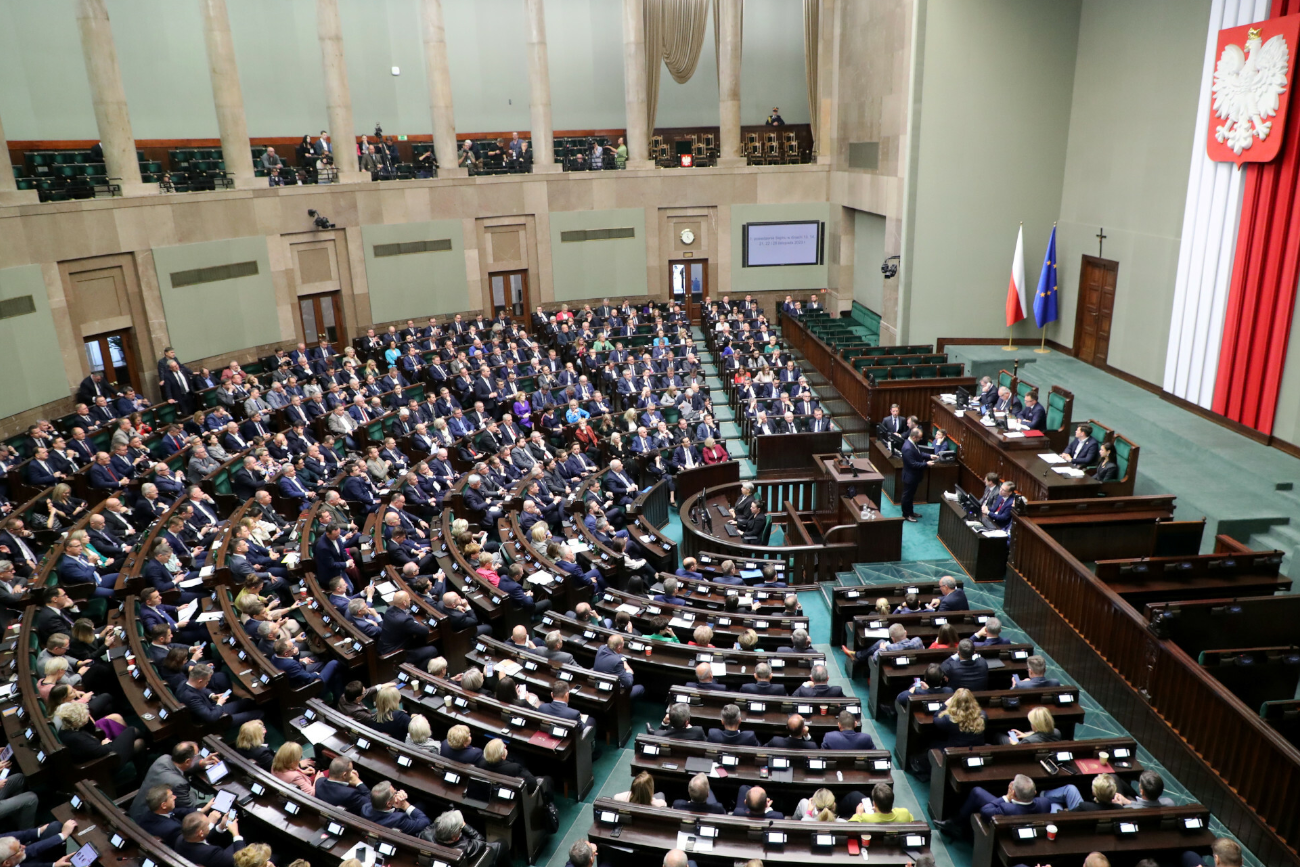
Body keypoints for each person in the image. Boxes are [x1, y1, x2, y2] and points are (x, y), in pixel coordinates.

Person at [900, 428, 932, 522]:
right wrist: (926, 464)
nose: (921, 439)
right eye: (919, 438)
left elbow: (918, 453)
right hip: (910, 476)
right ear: (914, 437)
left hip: (914, 476)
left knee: (910, 496)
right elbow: (913, 464)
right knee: (907, 497)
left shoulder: (912, 443)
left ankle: (911, 512)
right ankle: (906, 515)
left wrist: (929, 456)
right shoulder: (907, 448)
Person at [849, 783, 914, 822]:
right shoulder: (905, 813)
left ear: (874, 804)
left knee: (854, 796)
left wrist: (858, 814)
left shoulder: (864, 818)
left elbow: (850, 827)